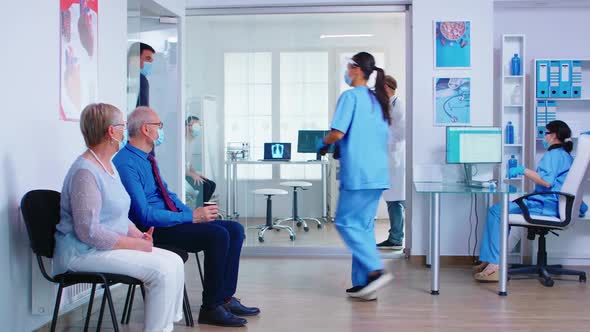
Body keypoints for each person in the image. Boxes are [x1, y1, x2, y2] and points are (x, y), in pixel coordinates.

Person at [113, 106, 258, 327]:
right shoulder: (126, 162)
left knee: (234, 229)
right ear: (145, 129)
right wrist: (190, 218)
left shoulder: (147, 158)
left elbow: (167, 194)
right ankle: (211, 307)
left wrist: (192, 214)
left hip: (169, 221)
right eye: (158, 126)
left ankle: (225, 298)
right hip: (152, 229)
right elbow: (143, 214)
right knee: (217, 235)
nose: (161, 130)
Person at [53, 103, 185, 332]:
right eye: (122, 126)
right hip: (81, 253)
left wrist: (138, 235)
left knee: (173, 261)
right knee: (161, 271)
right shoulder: (85, 172)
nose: (125, 131)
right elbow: (89, 232)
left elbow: (117, 214)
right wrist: (134, 244)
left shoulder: (108, 166)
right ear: (111, 132)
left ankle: (166, 326)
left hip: (102, 247)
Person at [317, 52, 394, 300]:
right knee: (363, 227)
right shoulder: (377, 100)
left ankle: (376, 271)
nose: (346, 71)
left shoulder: (350, 97)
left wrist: (323, 143)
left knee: (345, 223)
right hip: (377, 173)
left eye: (349, 66)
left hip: (359, 174)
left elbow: (337, 133)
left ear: (357, 69)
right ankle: (364, 284)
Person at [474, 120, 588, 282]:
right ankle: (492, 260)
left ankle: (493, 264)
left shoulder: (553, 155)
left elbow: (546, 181)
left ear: (554, 136)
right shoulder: (567, 157)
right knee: (502, 212)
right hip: (555, 204)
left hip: (545, 205)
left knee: (496, 211)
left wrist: (523, 170)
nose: (544, 136)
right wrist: (580, 207)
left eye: (546, 133)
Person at [377, 75, 406, 251]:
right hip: (388, 160)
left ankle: (396, 238)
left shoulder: (399, 107)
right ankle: (394, 236)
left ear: (387, 87)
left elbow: (401, 134)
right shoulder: (388, 106)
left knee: (395, 201)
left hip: (396, 160)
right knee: (393, 200)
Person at [185, 115, 217, 203]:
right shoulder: (182, 142)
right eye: (196, 126)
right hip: (182, 174)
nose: (198, 129)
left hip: (188, 173)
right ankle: (198, 211)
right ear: (188, 126)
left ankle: (203, 208)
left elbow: (189, 165)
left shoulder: (190, 142)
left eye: (199, 126)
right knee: (205, 186)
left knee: (212, 185)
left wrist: (196, 174)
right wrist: (192, 175)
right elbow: (180, 167)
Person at [136, 42, 155, 107]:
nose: (150, 63)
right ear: (136, 59)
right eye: (148, 58)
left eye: (152, 61)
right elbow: (144, 111)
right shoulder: (141, 79)